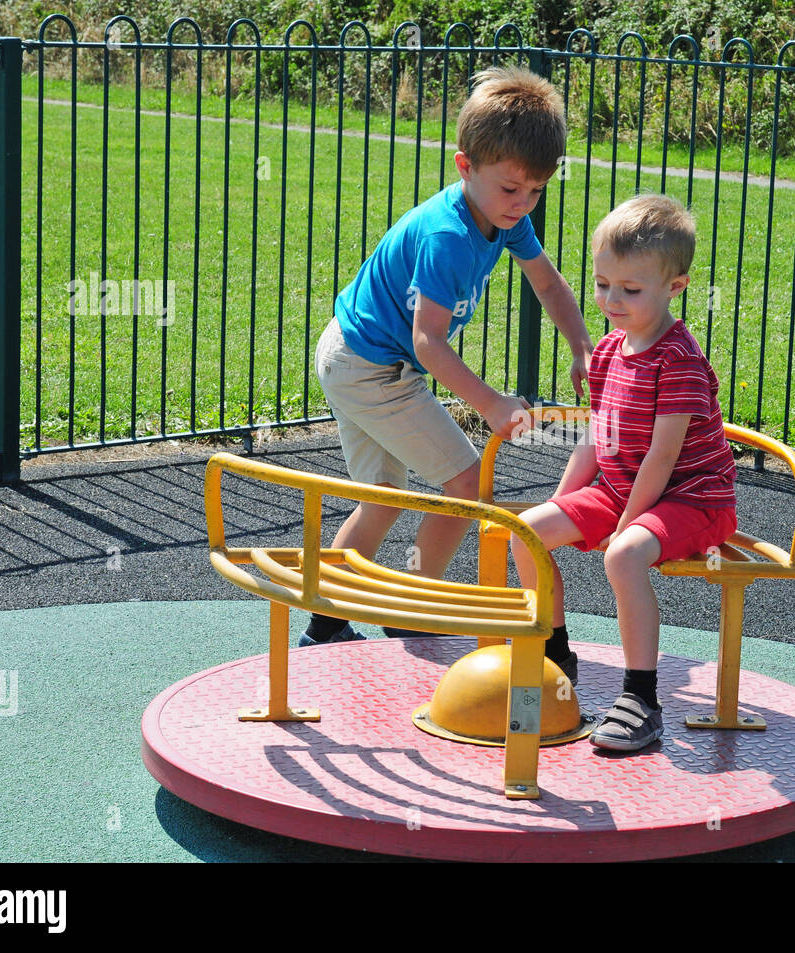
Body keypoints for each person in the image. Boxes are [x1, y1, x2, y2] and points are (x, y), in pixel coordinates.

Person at [302, 65, 593, 646]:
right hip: (372, 367)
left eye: (537, 190)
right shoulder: (450, 236)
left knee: (382, 500)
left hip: (354, 355)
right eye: (512, 189)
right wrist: (489, 402)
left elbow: (550, 285)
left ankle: (324, 624)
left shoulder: (502, 217)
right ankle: (410, 604)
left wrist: (583, 346)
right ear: (465, 165)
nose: (523, 203)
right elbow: (427, 341)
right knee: (465, 479)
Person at [509, 193, 738, 750]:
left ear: (674, 288)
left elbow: (663, 457)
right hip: (621, 487)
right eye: (602, 283)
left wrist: (625, 525)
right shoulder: (610, 349)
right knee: (525, 532)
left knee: (623, 554)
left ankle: (642, 698)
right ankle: (554, 653)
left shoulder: (677, 358)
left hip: (693, 499)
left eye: (630, 290)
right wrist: (558, 506)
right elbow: (597, 435)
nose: (611, 299)